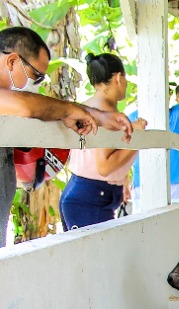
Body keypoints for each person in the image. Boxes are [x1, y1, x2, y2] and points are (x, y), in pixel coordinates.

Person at [1, 26, 133, 247]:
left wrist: (95, 116)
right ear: (13, 61)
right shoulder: (14, 102)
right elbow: (26, 105)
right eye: (36, 75)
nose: (38, 84)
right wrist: (72, 111)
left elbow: (37, 107)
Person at [59, 52, 148, 229]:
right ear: (118, 78)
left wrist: (122, 179)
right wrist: (137, 137)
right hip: (91, 198)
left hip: (84, 192)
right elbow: (104, 166)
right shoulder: (105, 113)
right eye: (125, 78)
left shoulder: (90, 107)